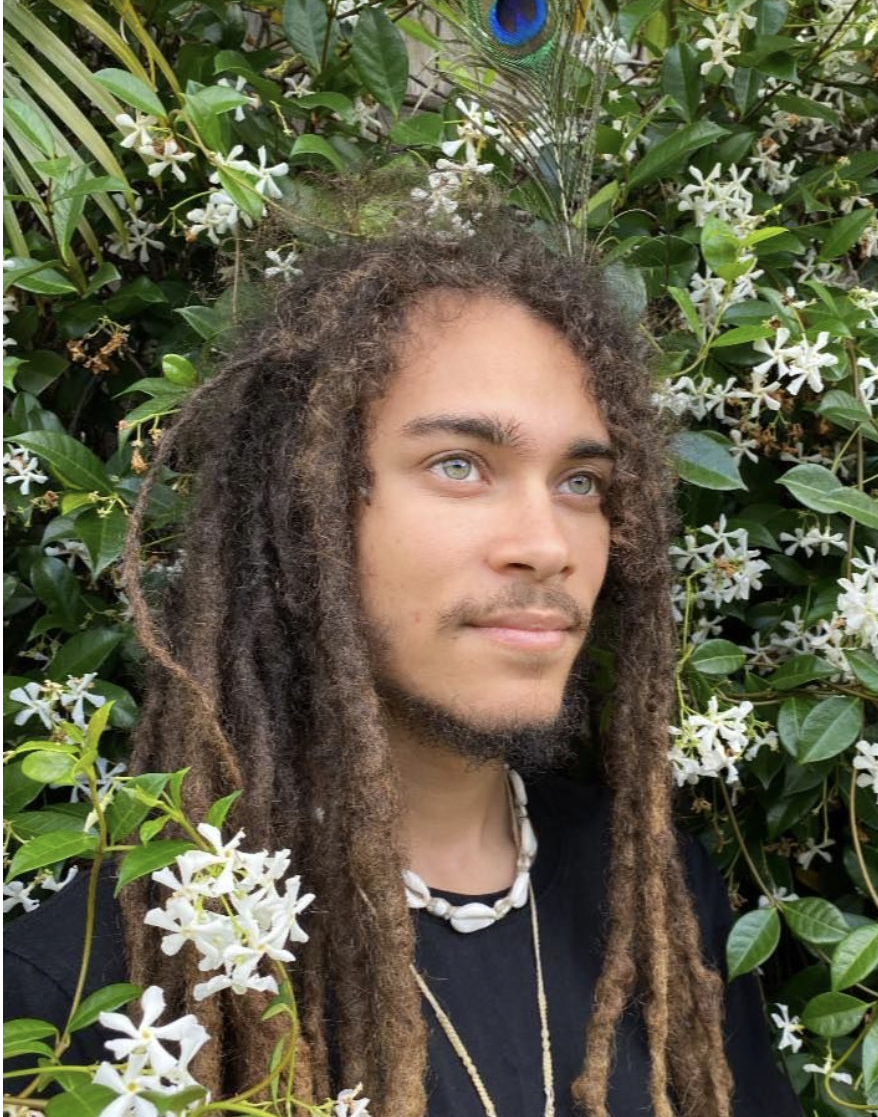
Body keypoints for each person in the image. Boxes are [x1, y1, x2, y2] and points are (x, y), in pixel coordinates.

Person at [4, 218, 801, 1117]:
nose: (548, 546)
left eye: (582, 483)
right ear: (305, 517)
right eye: (460, 465)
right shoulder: (89, 986)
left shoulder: (650, 884)